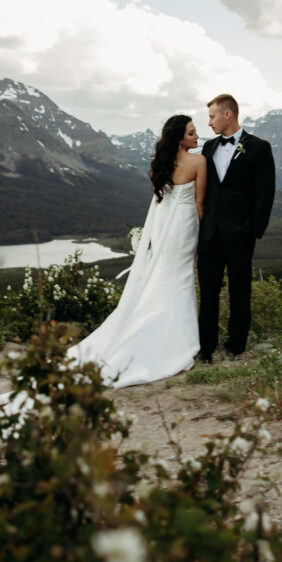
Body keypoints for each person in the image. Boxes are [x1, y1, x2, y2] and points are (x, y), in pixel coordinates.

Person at [68, 115, 206, 387]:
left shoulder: (160, 167)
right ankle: (176, 340)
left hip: (165, 226)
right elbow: (200, 203)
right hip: (186, 224)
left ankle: (152, 330)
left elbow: (161, 201)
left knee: (167, 274)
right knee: (181, 276)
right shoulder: (198, 162)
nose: (196, 137)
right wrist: (206, 236)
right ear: (179, 137)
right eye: (191, 133)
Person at [197, 94, 275, 362]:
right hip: (209, 233)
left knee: (240, 292)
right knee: (207, 292)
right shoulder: (208, 148)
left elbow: (265, 193)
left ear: (227, 115)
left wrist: (252, 229)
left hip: (240, 234)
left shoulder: (259, 147)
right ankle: (205, 349)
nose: (209, 123)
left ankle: (235, 347)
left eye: (212, 116)